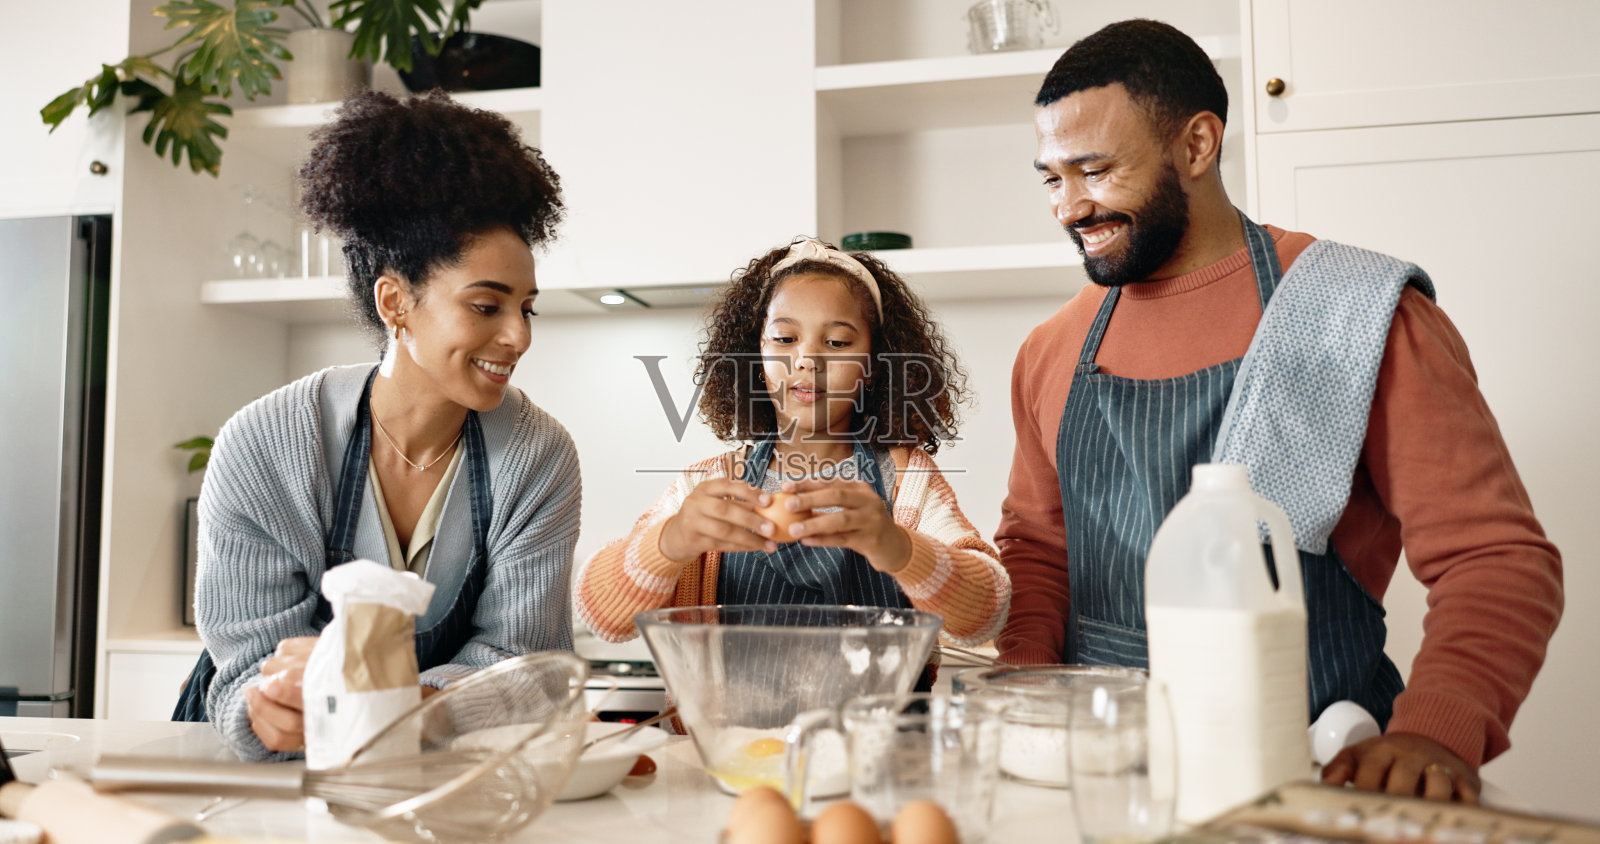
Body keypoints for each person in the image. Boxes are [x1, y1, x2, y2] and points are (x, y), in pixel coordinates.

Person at [996, 20, 1562, 803]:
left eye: (1094, 171)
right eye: (1052, 178)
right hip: (1102, 783)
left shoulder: (1360, 312)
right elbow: (1037, 551)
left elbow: (1493, 557)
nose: (1069, 207)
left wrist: (1436, 727)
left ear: (1197, 146)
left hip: (1314, 772)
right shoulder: (1051, 349)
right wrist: (1019, 692)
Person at [175, 91, 582, 761]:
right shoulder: (266, 448)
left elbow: (523, 667)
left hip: (439, 768)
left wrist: (390, 709)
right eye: (486, 306)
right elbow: (242, 670)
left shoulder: (537, 456)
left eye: (527, 309)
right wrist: (269, 707)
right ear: (395, 301)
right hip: (268, 773)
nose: (516, 337)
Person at [575, 238, 1010, 659]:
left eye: (837, 343)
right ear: (757, 359)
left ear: (873, 366)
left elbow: (987, 615)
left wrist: (899, 547)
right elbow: (603, 618)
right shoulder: (707, 483)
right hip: (735, 733)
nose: (807, 360)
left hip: (878, 732)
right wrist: (670, 541)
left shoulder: (906, 480)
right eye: (785, 340)